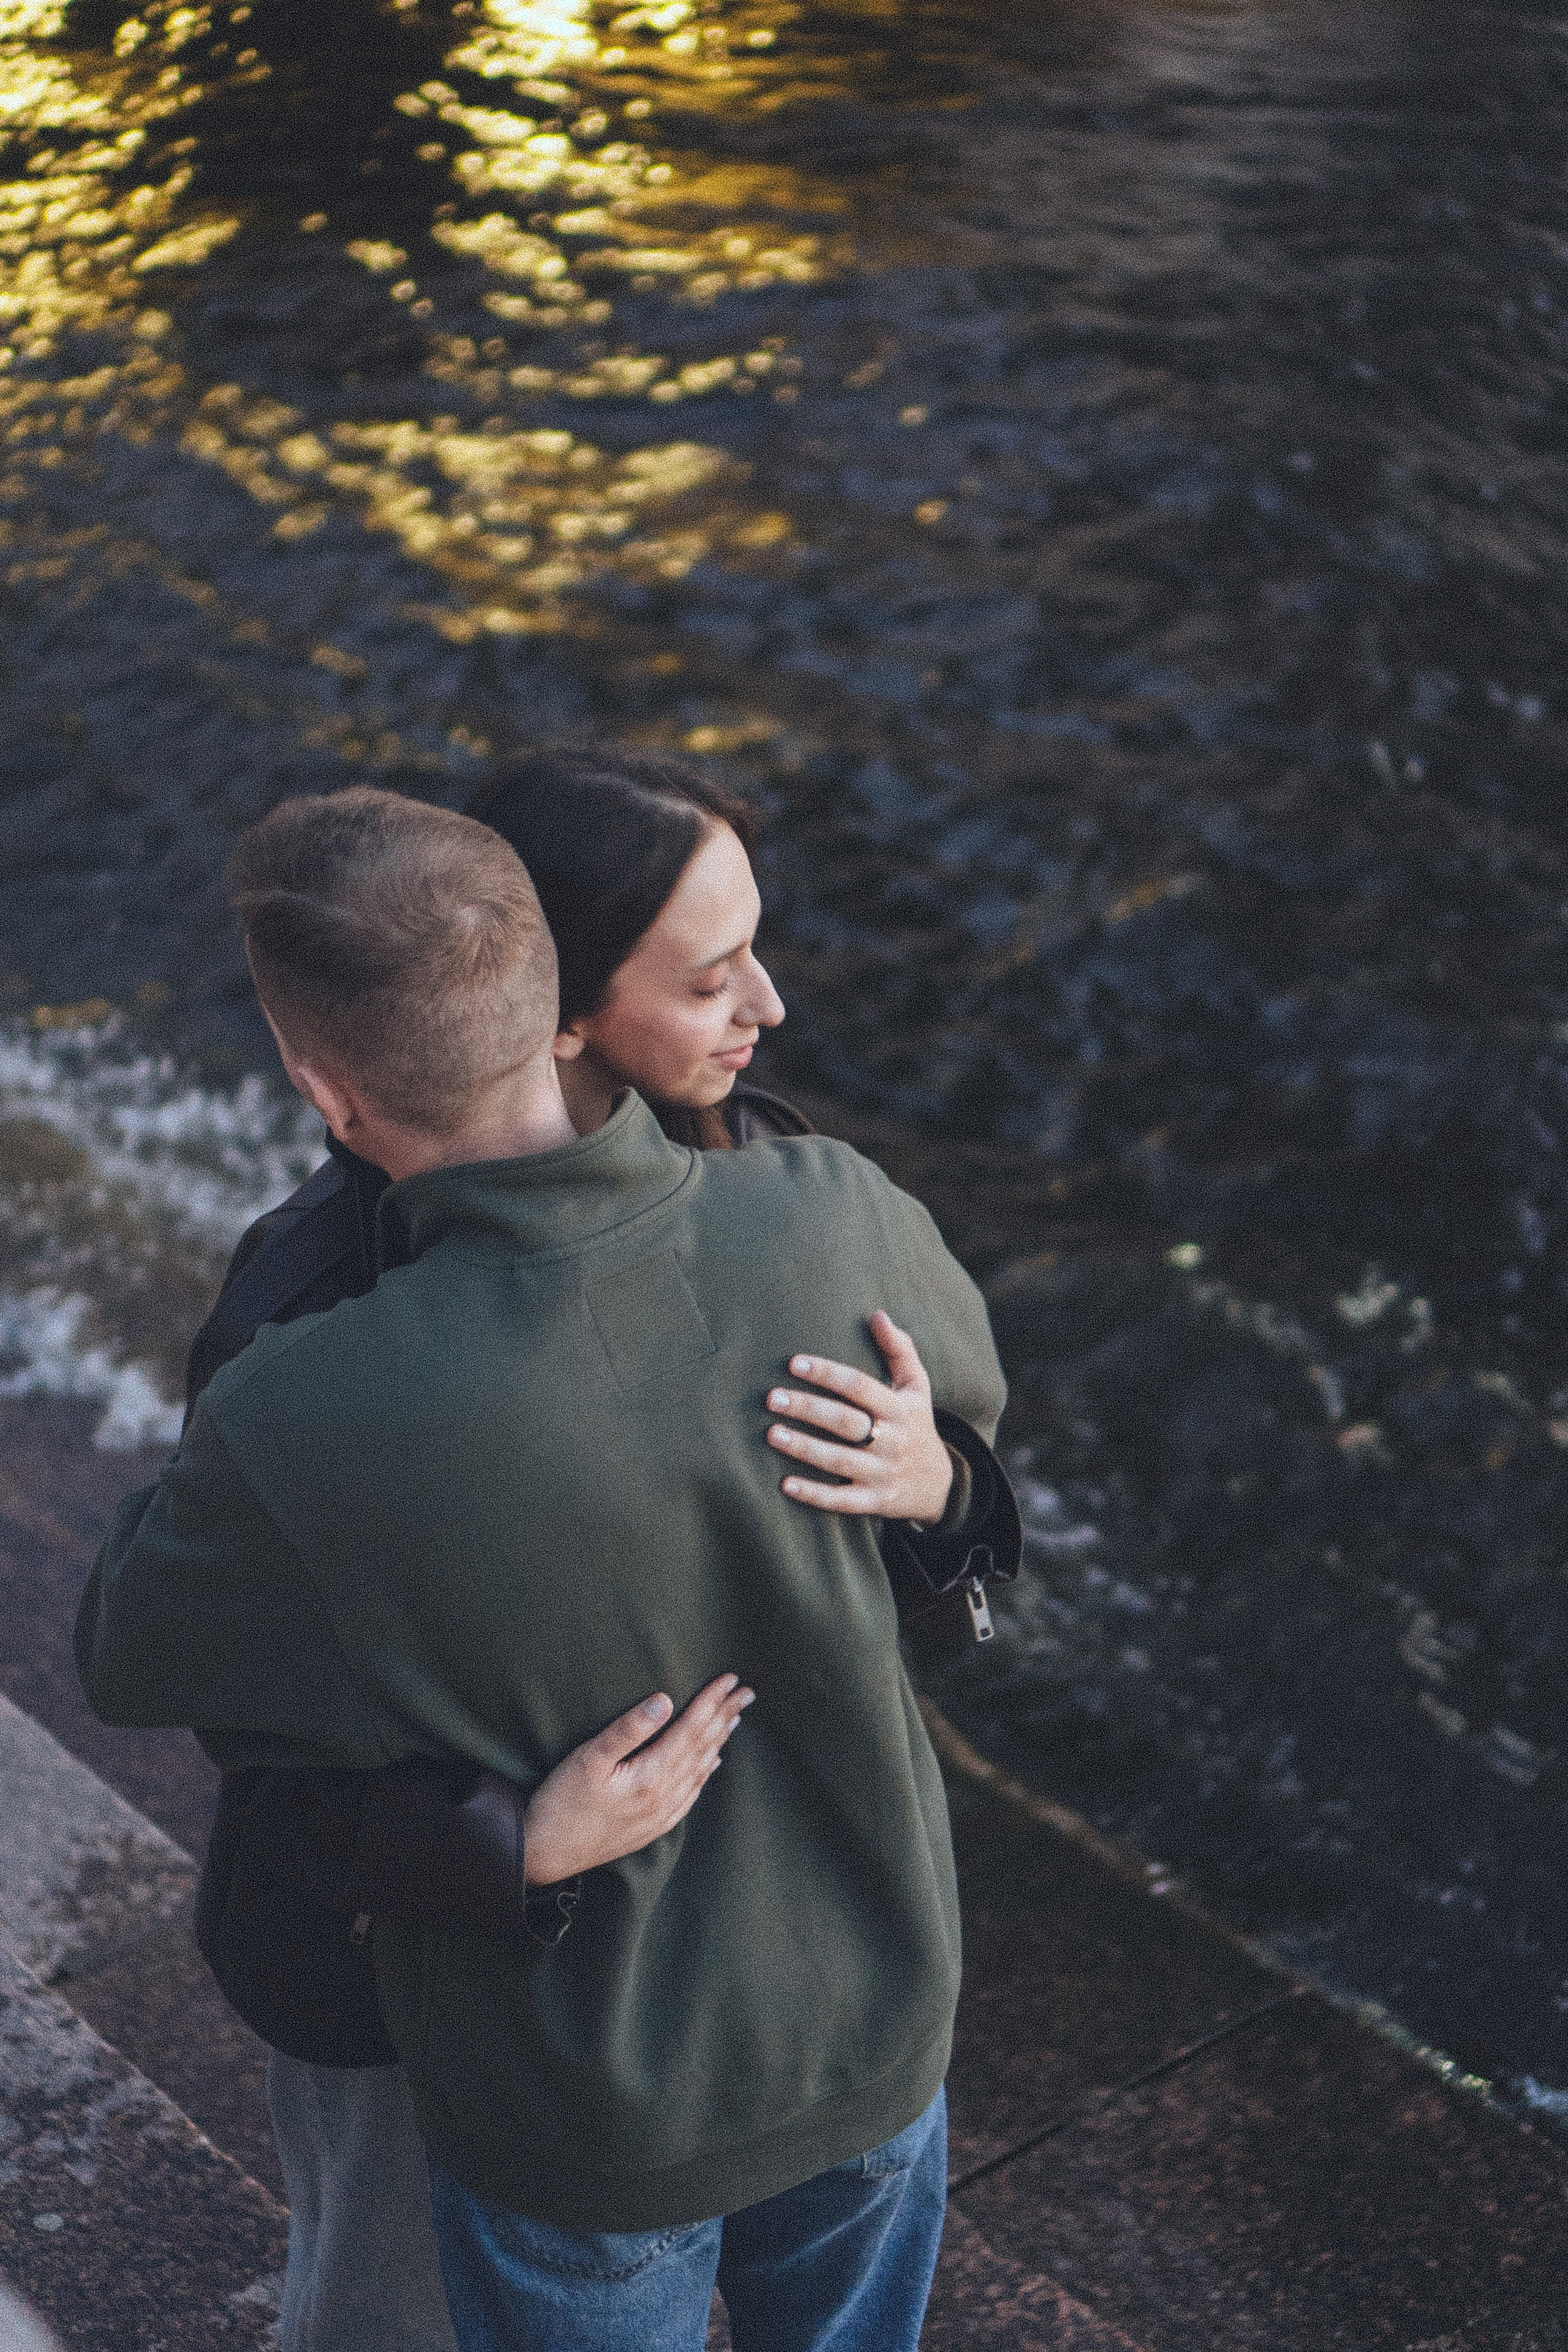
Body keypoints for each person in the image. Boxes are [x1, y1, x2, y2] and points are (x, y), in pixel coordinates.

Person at [80, 786, 1008, 2351]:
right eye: (711, 975)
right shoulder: (836, 1208)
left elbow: (137, 1653)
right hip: (872, 2025)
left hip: (587, 2097)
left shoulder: (303, 1398)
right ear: (555, 1008)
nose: (766, 1006)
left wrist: (947, 1493)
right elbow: (967, 1415)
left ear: (321, 1085)